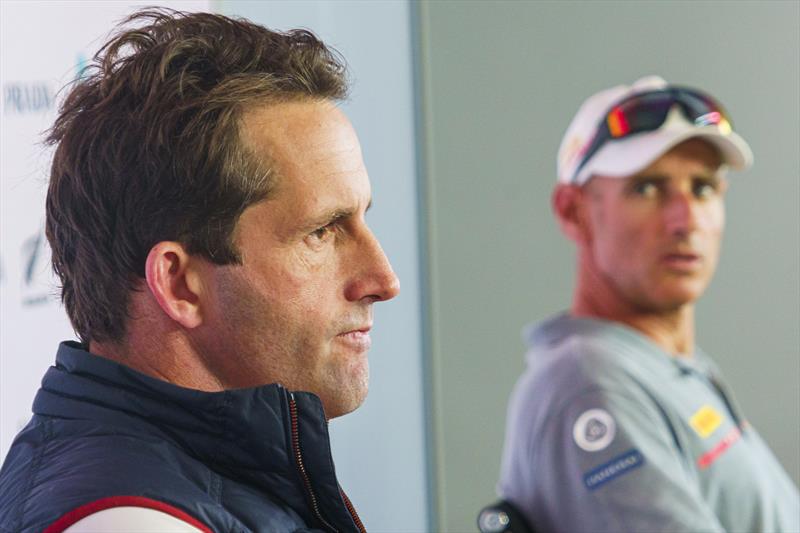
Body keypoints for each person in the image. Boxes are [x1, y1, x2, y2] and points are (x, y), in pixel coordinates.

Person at [0, 8, 399, 533]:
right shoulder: (131, 523)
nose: (382, 280)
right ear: (180, 284)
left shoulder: (204, 475)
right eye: (321, 232)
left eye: (363, 219)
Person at [495, 76, 800, 532]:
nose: (687, 219)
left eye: (702, 188)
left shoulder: (663, 368)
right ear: (572, 211)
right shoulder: (593, 387)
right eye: (648, 188)